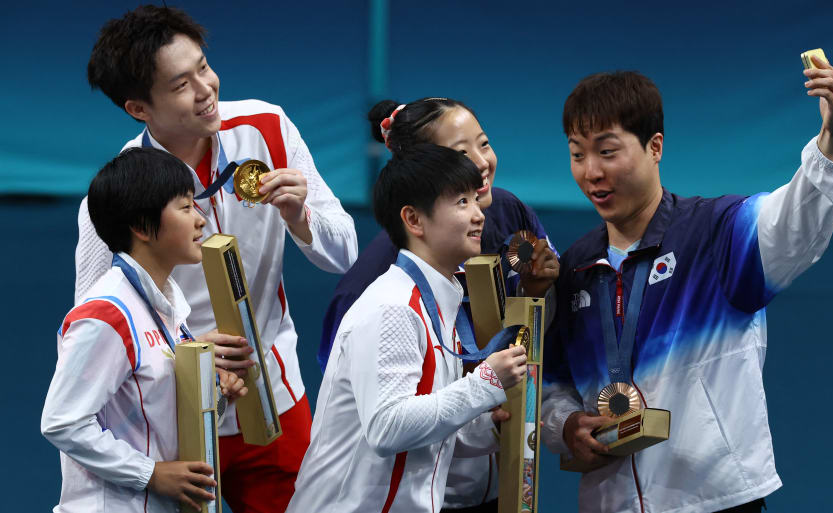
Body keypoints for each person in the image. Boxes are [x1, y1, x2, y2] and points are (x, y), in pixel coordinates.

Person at [76, 6, 358, 512]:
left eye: (203, 67)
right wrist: (186, 351)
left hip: (273, 394)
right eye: (181, 84)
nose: (206, 89)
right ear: (139, 108)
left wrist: (300, 218)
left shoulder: (268, 129)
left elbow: (345, 253)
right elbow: (93, 332)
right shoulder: (117, 196)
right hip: (171, 417)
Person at [541, 60, 833, 513]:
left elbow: (794, 222)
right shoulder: (574, 270)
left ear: (655, 147)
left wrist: (832, 141)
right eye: (576, 153)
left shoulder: (716, 233)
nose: (591, 171)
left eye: (607, 152)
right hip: (609, 502)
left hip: (715, 500)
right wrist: (566, 426)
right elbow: (552, 384)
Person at [318, 97, 560, 511]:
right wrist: (485, 382)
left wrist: (536, 294)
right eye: (460, 155)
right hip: (412, 490)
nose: (480, 163)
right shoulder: (383, 290)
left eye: (483, 144)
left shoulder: (504, 215)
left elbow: (533, 333)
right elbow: (375, 418)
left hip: (483, 473)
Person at [286, 144, 528, 513]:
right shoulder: (393, 307)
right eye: (461, 202)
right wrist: (485, 383)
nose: (479, 215)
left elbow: (424, 431)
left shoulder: (434, 302)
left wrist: (487, 429)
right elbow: (388, 428)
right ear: (414, 220)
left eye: (475, 201)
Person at [41, 147, 247, 512]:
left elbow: (158, 414)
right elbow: (62, 422)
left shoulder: (167, 306)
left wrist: (216, 393)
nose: (200, 220)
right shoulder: (108, 313)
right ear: (141, 226)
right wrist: (150, 473)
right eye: (184, 208)